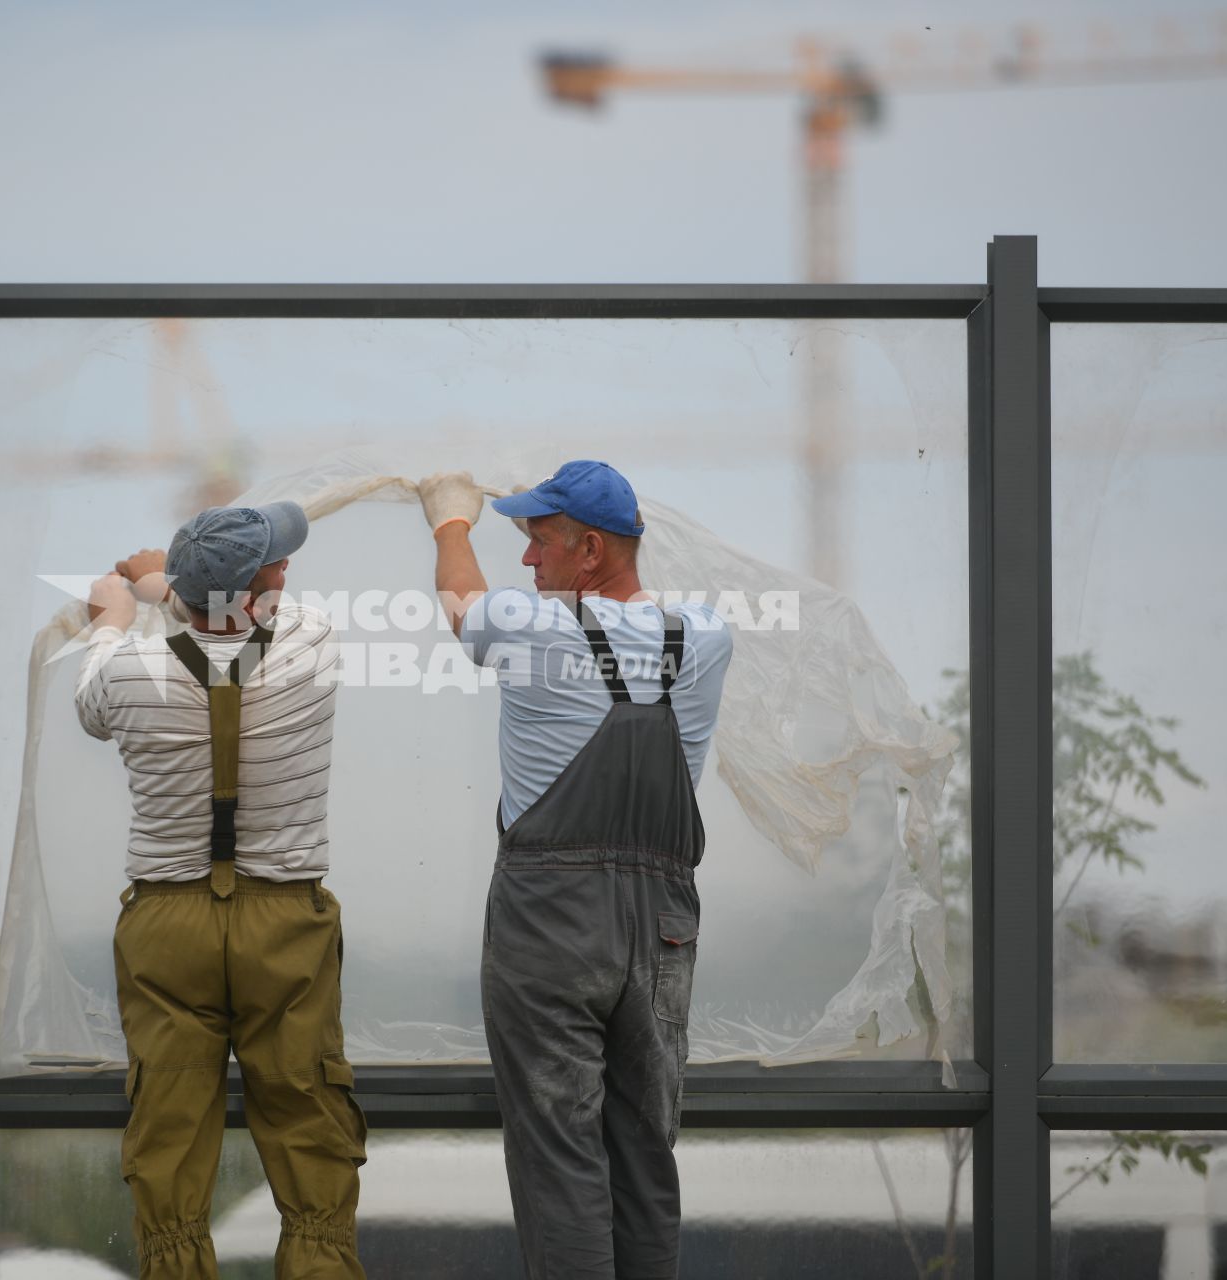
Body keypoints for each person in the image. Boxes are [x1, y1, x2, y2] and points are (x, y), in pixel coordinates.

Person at [416, 462, 733, 1280]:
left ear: (589, 549)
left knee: (561, 1162)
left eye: (539, 542)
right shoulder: (704, 637)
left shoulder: (533, 629)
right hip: (663, 931)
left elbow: (462, 602)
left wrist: (451, 522)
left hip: (551, 924)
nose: (527, 562)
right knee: (645, 1158)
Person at [75, 501, 366, 1280]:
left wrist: (117, 608)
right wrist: (161, 582)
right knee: (309, 1126)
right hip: (285, 922)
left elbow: (94, 696)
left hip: (167, 926)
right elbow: (229, 613)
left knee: (168, 1140)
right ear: (255, 591)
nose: (286, 569)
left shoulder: (125, 673)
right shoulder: (312, 643)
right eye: (275, 563)